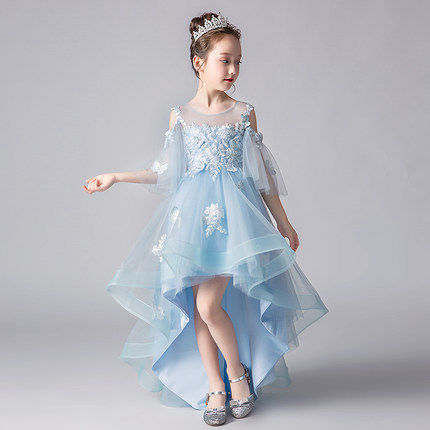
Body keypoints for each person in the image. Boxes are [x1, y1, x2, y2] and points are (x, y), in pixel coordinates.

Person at [83, 11, 329, 426]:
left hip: (234, 224)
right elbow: (166, 171)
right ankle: (216, 384)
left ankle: (237, 375)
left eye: (238, 61)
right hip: (190, 225)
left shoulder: (243, 113)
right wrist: (117, 176)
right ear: (199, 62)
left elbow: (262, 176)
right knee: (198, 308)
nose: (233, 70)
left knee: (208, 304)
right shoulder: (180, 116)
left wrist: (284, 223)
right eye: (224, 60)